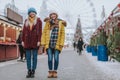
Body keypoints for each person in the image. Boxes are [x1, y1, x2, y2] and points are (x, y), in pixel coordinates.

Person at [41, 12, 66, 78]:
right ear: (50, 16)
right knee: (49, 59)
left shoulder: (61, 23)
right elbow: (44, 33)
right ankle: (50, 72)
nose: (53, 16)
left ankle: (55, 72)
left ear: (56, 16)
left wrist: (61, 43)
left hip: (57, 44)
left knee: (56, 59)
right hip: (49, 44)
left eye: (54, 14)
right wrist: (43, 43)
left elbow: (63, 34)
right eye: (51, 15)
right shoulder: (48, 23)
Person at [22, 7, 42, 78]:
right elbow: (23, 32)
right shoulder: (26, 21)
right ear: (29, 13)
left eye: (33, 12)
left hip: (35, 41)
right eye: (31, 12)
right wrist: (22, 40)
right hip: (27, 41)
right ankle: (29, 70)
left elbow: (40, 32)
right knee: (28, 57)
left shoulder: (39, 21)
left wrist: (39, 40)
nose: (32, 13)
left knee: (34, 58)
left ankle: (33, 70)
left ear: (35, 13)